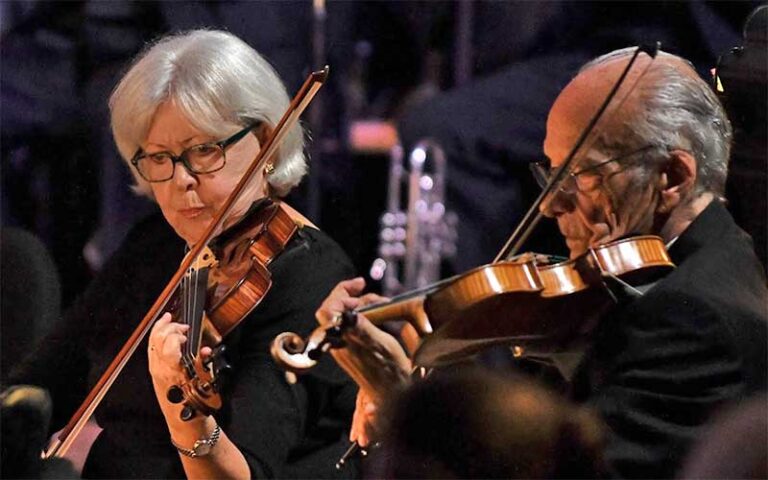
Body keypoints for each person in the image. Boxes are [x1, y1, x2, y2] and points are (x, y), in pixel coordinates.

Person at [313, 47, 768, 478]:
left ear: (672, 177)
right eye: (550, 173)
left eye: (578, 175)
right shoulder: (710, 262)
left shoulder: (689, 322)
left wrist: (407, 412)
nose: (550, 205)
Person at [7, 29, 358, 479]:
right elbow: (48, 380)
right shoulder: (157, 244)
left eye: (204, 151)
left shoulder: (304, 275)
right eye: (159, 158)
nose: (181, 181)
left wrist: (182, 410)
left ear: (266, 142)